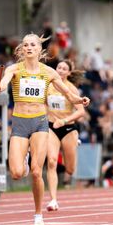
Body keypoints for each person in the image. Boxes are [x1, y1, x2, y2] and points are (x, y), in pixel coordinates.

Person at [0, 33, 90, 225]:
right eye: (26, 45)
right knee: (17, 173)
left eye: (33, 45)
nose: (29, 48)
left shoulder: (48, 72)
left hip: (40, 123)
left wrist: (79, 100)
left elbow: (67, 92)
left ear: (39, 50)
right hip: (20, 122)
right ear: (22, 49)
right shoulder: (14, 69)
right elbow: (3, 84)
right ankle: (25, 162)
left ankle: (38, 214)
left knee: (38, 172)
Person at [45, 59, 86, 212]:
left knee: (70, 169)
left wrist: (64, 120)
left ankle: (75, 142)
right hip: (51, 127)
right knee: (52, 161)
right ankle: (53, 200)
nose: (60, 70)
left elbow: (81, 112)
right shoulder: (48, 86)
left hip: (68, 128)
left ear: (69, 72)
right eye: (59, 67)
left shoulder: (72, 89)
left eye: (64, 68)